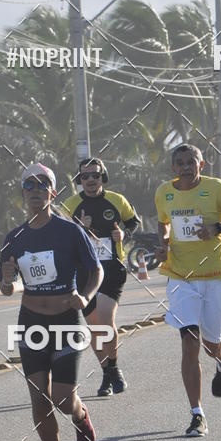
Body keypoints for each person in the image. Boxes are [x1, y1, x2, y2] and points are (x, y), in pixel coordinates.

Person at [0, 163, 103, 441]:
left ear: (52, 192)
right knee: (38, 396)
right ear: (22, 193)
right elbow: (6, 287)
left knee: (61, 398)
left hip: (66, 320)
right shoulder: (14, 237)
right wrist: (5, 278)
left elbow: (95, 270)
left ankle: (80, 415)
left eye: (42, 185)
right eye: (29, 185)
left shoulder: (69, 231)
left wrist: (85, 297)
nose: (35, 190)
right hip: (30, 322)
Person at [155, 144, 221, 438]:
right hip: (181, 276)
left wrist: (216, 228)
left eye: (190, 162)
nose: (185, 167)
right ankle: (197, 414)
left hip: (217, 275)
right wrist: (164, 242)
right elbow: (163, 224)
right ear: (173, 168)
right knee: (189, 342)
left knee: (211, 346)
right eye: (179, 163)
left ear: (201, 164)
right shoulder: (164, 193)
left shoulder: (217, 188)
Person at [62, 158, 141, 397]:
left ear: (102, 176)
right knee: (95, 327)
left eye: (95, 175)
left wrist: (122, 235)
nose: (90, 180)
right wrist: (81, 229)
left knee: (106, 320)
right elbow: (62, 238)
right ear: (79, 180)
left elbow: (133, 223)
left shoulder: (117, 200)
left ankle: (114, 367)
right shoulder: (70, 205)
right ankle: (108, 373)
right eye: (84, 176)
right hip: (83, 272)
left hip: (112, 268)